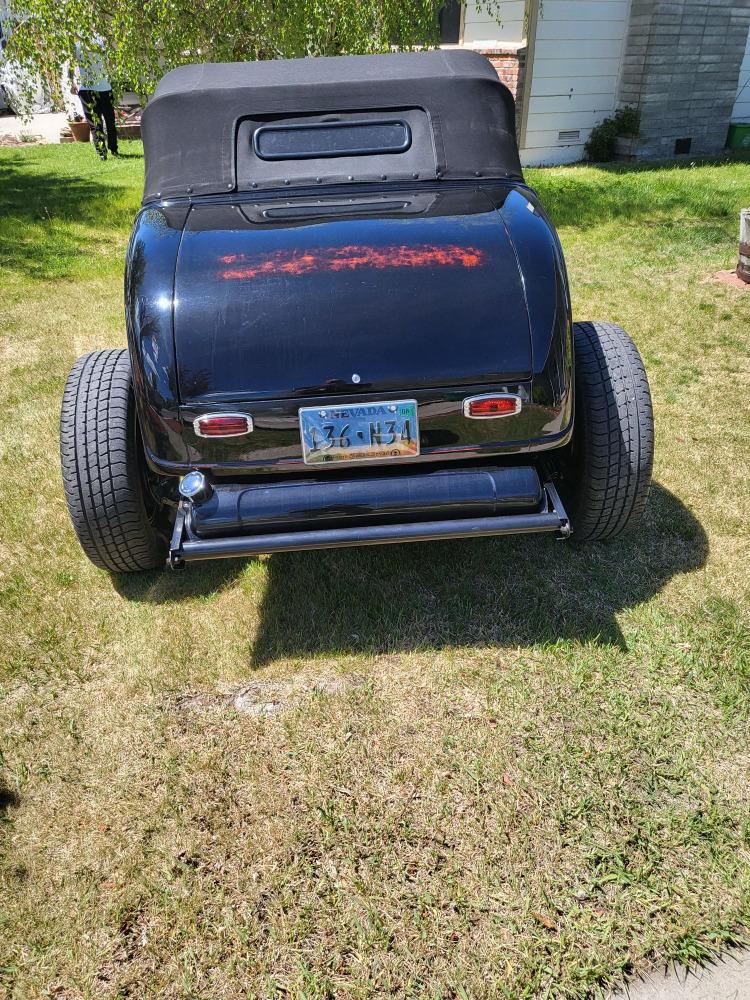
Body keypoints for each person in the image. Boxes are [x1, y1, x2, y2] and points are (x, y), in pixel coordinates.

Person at [70, 41, 118, 160]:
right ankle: (111, 149)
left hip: (90, 89)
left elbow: (71, 66)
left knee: (97, 122)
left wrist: (72, 83)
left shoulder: (77, 43)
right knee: (108, 120)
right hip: (101, 87)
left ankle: (103, 152)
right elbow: (112, 62)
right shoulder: (102, 41)